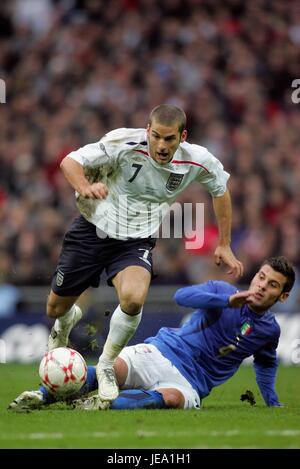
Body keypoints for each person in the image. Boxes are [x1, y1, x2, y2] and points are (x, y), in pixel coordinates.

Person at [45, 104, 243, 405]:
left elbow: (221, 191)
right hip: (92, 230)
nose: (162, 146)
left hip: (135, 241)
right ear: (147, 131)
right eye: (157, 137)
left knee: (134, 298)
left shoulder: (198, 160)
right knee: (55, 309)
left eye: (170, 139)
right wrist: (84, 186)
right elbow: (70, 162)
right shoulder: (123, 142)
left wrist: (225, 243)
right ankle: (66, 319)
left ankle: (108, 365)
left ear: (182, 137)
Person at [9, 256, 294, 412]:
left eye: (271, 285)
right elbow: (183, 296)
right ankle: (42, 395)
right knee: (112, 371)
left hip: (192, 383)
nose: (261, 286)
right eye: (260, 277)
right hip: (161, 351)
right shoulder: (224, 292)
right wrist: (225, 302)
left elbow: (266, 362)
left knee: (170, 399)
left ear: (282, 296)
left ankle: (93, 405)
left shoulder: (269, 330)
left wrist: (272, 401)